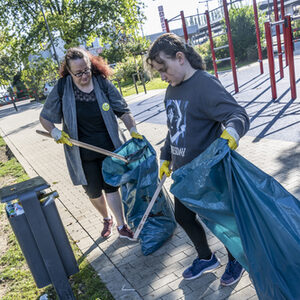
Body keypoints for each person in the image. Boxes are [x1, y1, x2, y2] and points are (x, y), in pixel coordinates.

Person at [146, 33, 250, 286]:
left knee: (220, 220)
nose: (162, 77)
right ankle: (206, 258)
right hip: (185, 174)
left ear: (179, 58)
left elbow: (238, 115)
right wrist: (165, 157)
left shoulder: (205, 84)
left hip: (209, 173)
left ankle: (236, 259)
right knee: (183, 217)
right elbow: (174, 129)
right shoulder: (171, 90)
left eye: (164, 69)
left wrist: (230, 136)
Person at [40, 47, 143, 240]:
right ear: (68, 72)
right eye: (78, 73)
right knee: (93, 192)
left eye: (86, 70)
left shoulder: (101, 83)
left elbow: (123, 109)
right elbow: (45, 117)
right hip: (81, 153)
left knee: (112, 187)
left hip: (109, 149)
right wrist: (54, 131)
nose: (84, 75)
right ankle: (107, 218)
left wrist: (133, 130)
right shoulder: (63, 87)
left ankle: (122, 226)